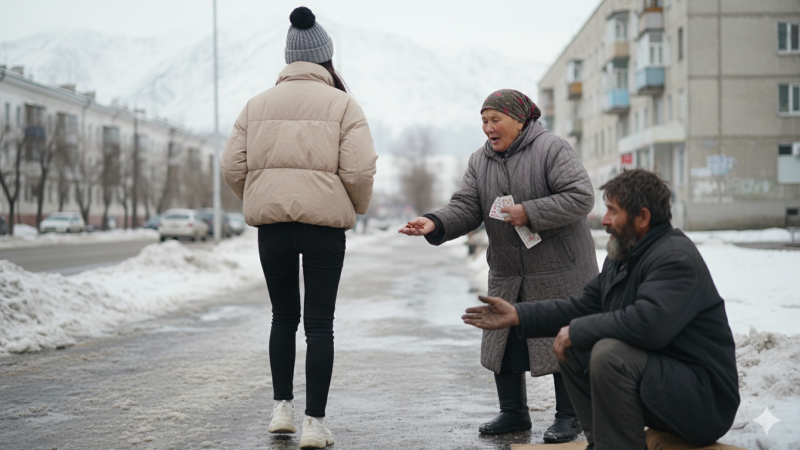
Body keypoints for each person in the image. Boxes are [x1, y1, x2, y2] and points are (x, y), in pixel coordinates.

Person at [461, 169, 740, 450]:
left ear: (642, 217)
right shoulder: (624, 256)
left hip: (705, 404)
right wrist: (518, 314)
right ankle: (605, 444)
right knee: (574, 349)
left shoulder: (674, 259)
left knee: (609, 354)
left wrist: (579, 330)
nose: (604, 220)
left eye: (612, 211)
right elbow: (582, 306)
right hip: (666, 387)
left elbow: (648, 325)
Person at [399, 89, 598, 441]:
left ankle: (571, 415)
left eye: (495, 120)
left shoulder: (552, 149)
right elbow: (466, 207)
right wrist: (435, 222)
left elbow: (581, 196)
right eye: (484, 121)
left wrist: (530, 212)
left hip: (560, 269)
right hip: (509, 268)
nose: (488, 128)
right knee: (504, 340)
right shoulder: (480, 161)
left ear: (520, 121)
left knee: (561, 338)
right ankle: (513, 414)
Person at [220, 7, 377, 449]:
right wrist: (355, 207)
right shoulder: (344, 104)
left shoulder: (256, 104)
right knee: (319, 324)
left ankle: (281, 411)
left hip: (273, 229)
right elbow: (360, 169)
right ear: (327, 58)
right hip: (325, 229)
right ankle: (314, 423)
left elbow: (231, 165)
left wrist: (262, 195)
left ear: (289, 58)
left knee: (283, 317)